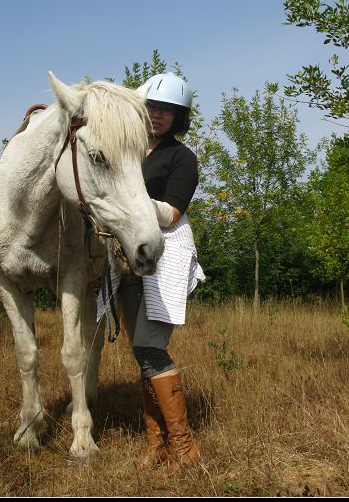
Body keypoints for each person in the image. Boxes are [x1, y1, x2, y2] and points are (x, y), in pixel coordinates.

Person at [107, 72, 206, 471]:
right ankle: (156, 445)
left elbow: (171, 213)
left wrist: (127, 202)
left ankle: (183, 446)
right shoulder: (127, 153)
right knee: (141, 355)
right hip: (126, 263)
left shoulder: (182, 158)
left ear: (178, 117)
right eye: (151, 107)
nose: (157, 115)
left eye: (167, 110)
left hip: (162, 259)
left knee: (150, 349)